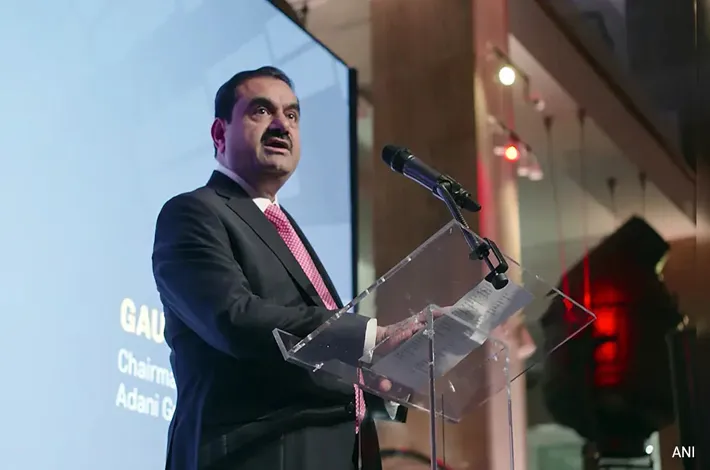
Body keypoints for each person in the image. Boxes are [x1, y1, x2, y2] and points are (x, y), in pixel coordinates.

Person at [152, 66, 419, 470]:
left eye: (292, 115)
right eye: (261, 111)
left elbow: (305, 359)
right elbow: (234, 320)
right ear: (220, 133)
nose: (281, 125)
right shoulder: (193, 213)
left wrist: (378, 381)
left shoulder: (285, 227)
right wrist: (368, 337)